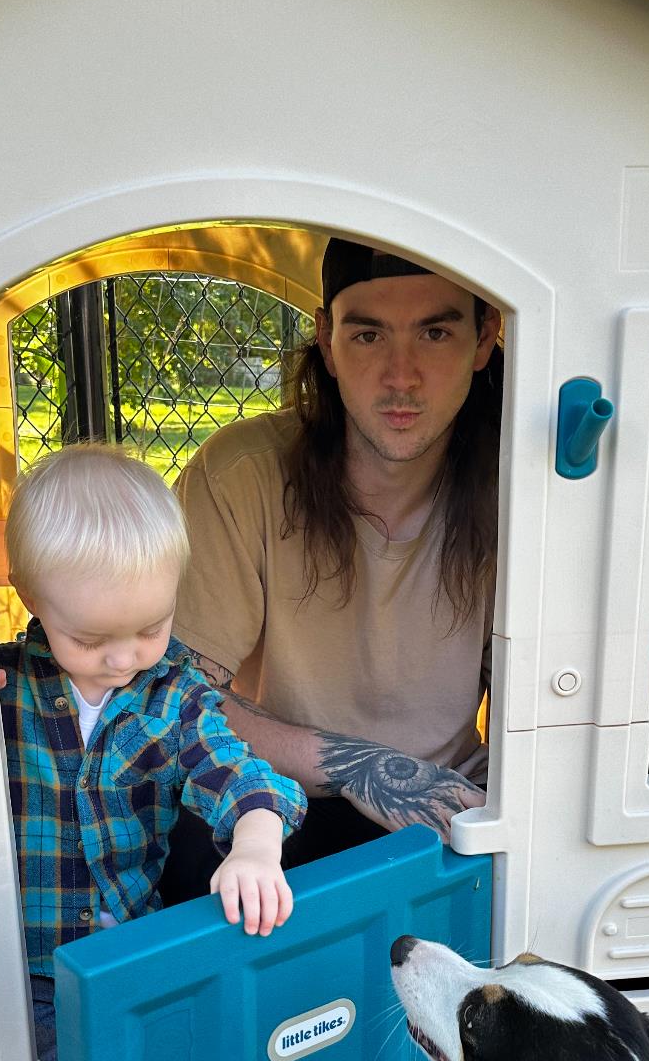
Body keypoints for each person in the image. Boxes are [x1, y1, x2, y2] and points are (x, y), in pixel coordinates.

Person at [0, 445, 306, 1061]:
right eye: (89, 637)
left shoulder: (171, 699)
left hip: (123, 948)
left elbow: (243, 777)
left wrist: (256, 846)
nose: (123, 657)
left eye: (149, 628)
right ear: (29, 597)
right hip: (19, 957)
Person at [161, 237, 502, 901]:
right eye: (368, 335)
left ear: (484, 338)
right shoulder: (242, 474)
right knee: (195, 854)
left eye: (435, 333)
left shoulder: (518, 488)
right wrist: (364, 767)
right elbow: (176, 696)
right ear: (327, 340)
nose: (401, 376)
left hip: (448, 805)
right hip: (276, 799)